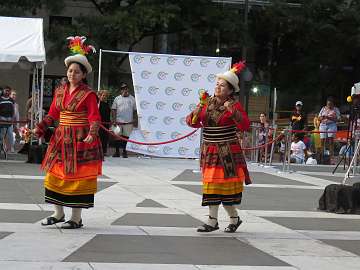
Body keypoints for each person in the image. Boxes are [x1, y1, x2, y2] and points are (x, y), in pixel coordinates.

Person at [33, 36, 101, 229]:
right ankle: (58, 213)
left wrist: (92, 134)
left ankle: (76, 218)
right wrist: (40, 127)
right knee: (55, 174)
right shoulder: (60, 91)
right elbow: (53, 113)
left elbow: (94, 117)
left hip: (79, 139)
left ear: (83, 75)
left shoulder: (88, 94)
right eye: (70, 71)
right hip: (61, 138)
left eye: (77, 72)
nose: (72, 74)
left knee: (77, 178)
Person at [186, 61, 251, 233]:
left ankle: (232, 218)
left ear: (230, 90)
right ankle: (214, 220)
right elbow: (191, 122)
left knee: (225, 191)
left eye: (222, 86)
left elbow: (245, 125)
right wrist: (199, 106)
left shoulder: (234, 105)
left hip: (228, 152)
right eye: (217, 84)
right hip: (211, 151)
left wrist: (232, 111)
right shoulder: (207, 103)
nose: (218, 87)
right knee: (211, 186)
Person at [111, 82, 137, 158]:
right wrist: (114, 120)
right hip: (118, 122)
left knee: (126, 138)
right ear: (121, 90)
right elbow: (113, 110)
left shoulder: (132, 98)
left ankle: (124, 152)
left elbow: (135, 110)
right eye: (123, 89)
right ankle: (117, 152)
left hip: (128, 122)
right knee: (117, 137)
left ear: (128, 89)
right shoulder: (117, 98)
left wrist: (135, 119)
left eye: (126, 88)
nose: (125, 90)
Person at [318, 97, 341, 164]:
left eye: (330, 104)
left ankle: (331, 158)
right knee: (322, 141)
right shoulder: (323, 108)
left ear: (333, 104)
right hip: (323, 124)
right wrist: (321, 117)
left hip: (331, 124)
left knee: (331, 141)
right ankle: (321, 158)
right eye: (328, 104)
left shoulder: (336, 109)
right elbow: (319, 118)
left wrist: (329, 117)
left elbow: (339, 119)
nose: (329, 106)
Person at [0, 86, 15, 152]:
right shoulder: (0, 99)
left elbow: (13, 109)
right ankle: (1, 147)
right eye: (6, 90)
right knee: (1, 134)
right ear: (3, 91)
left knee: (10, 133)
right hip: (2, 118)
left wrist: (13, 117)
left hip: (9, 118)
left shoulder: (11, 100)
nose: (7, 92)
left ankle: (11, 147)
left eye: (8, 91)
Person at [97, 90, 111, 156]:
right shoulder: (97, 103)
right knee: (100, 137)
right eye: (103, 95)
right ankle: (99, 151)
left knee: (105, 137)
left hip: (106, 123)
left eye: (105, 96)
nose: (104, 97)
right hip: (100, 123)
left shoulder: (107, 104)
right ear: (99, 96)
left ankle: (104, 151)